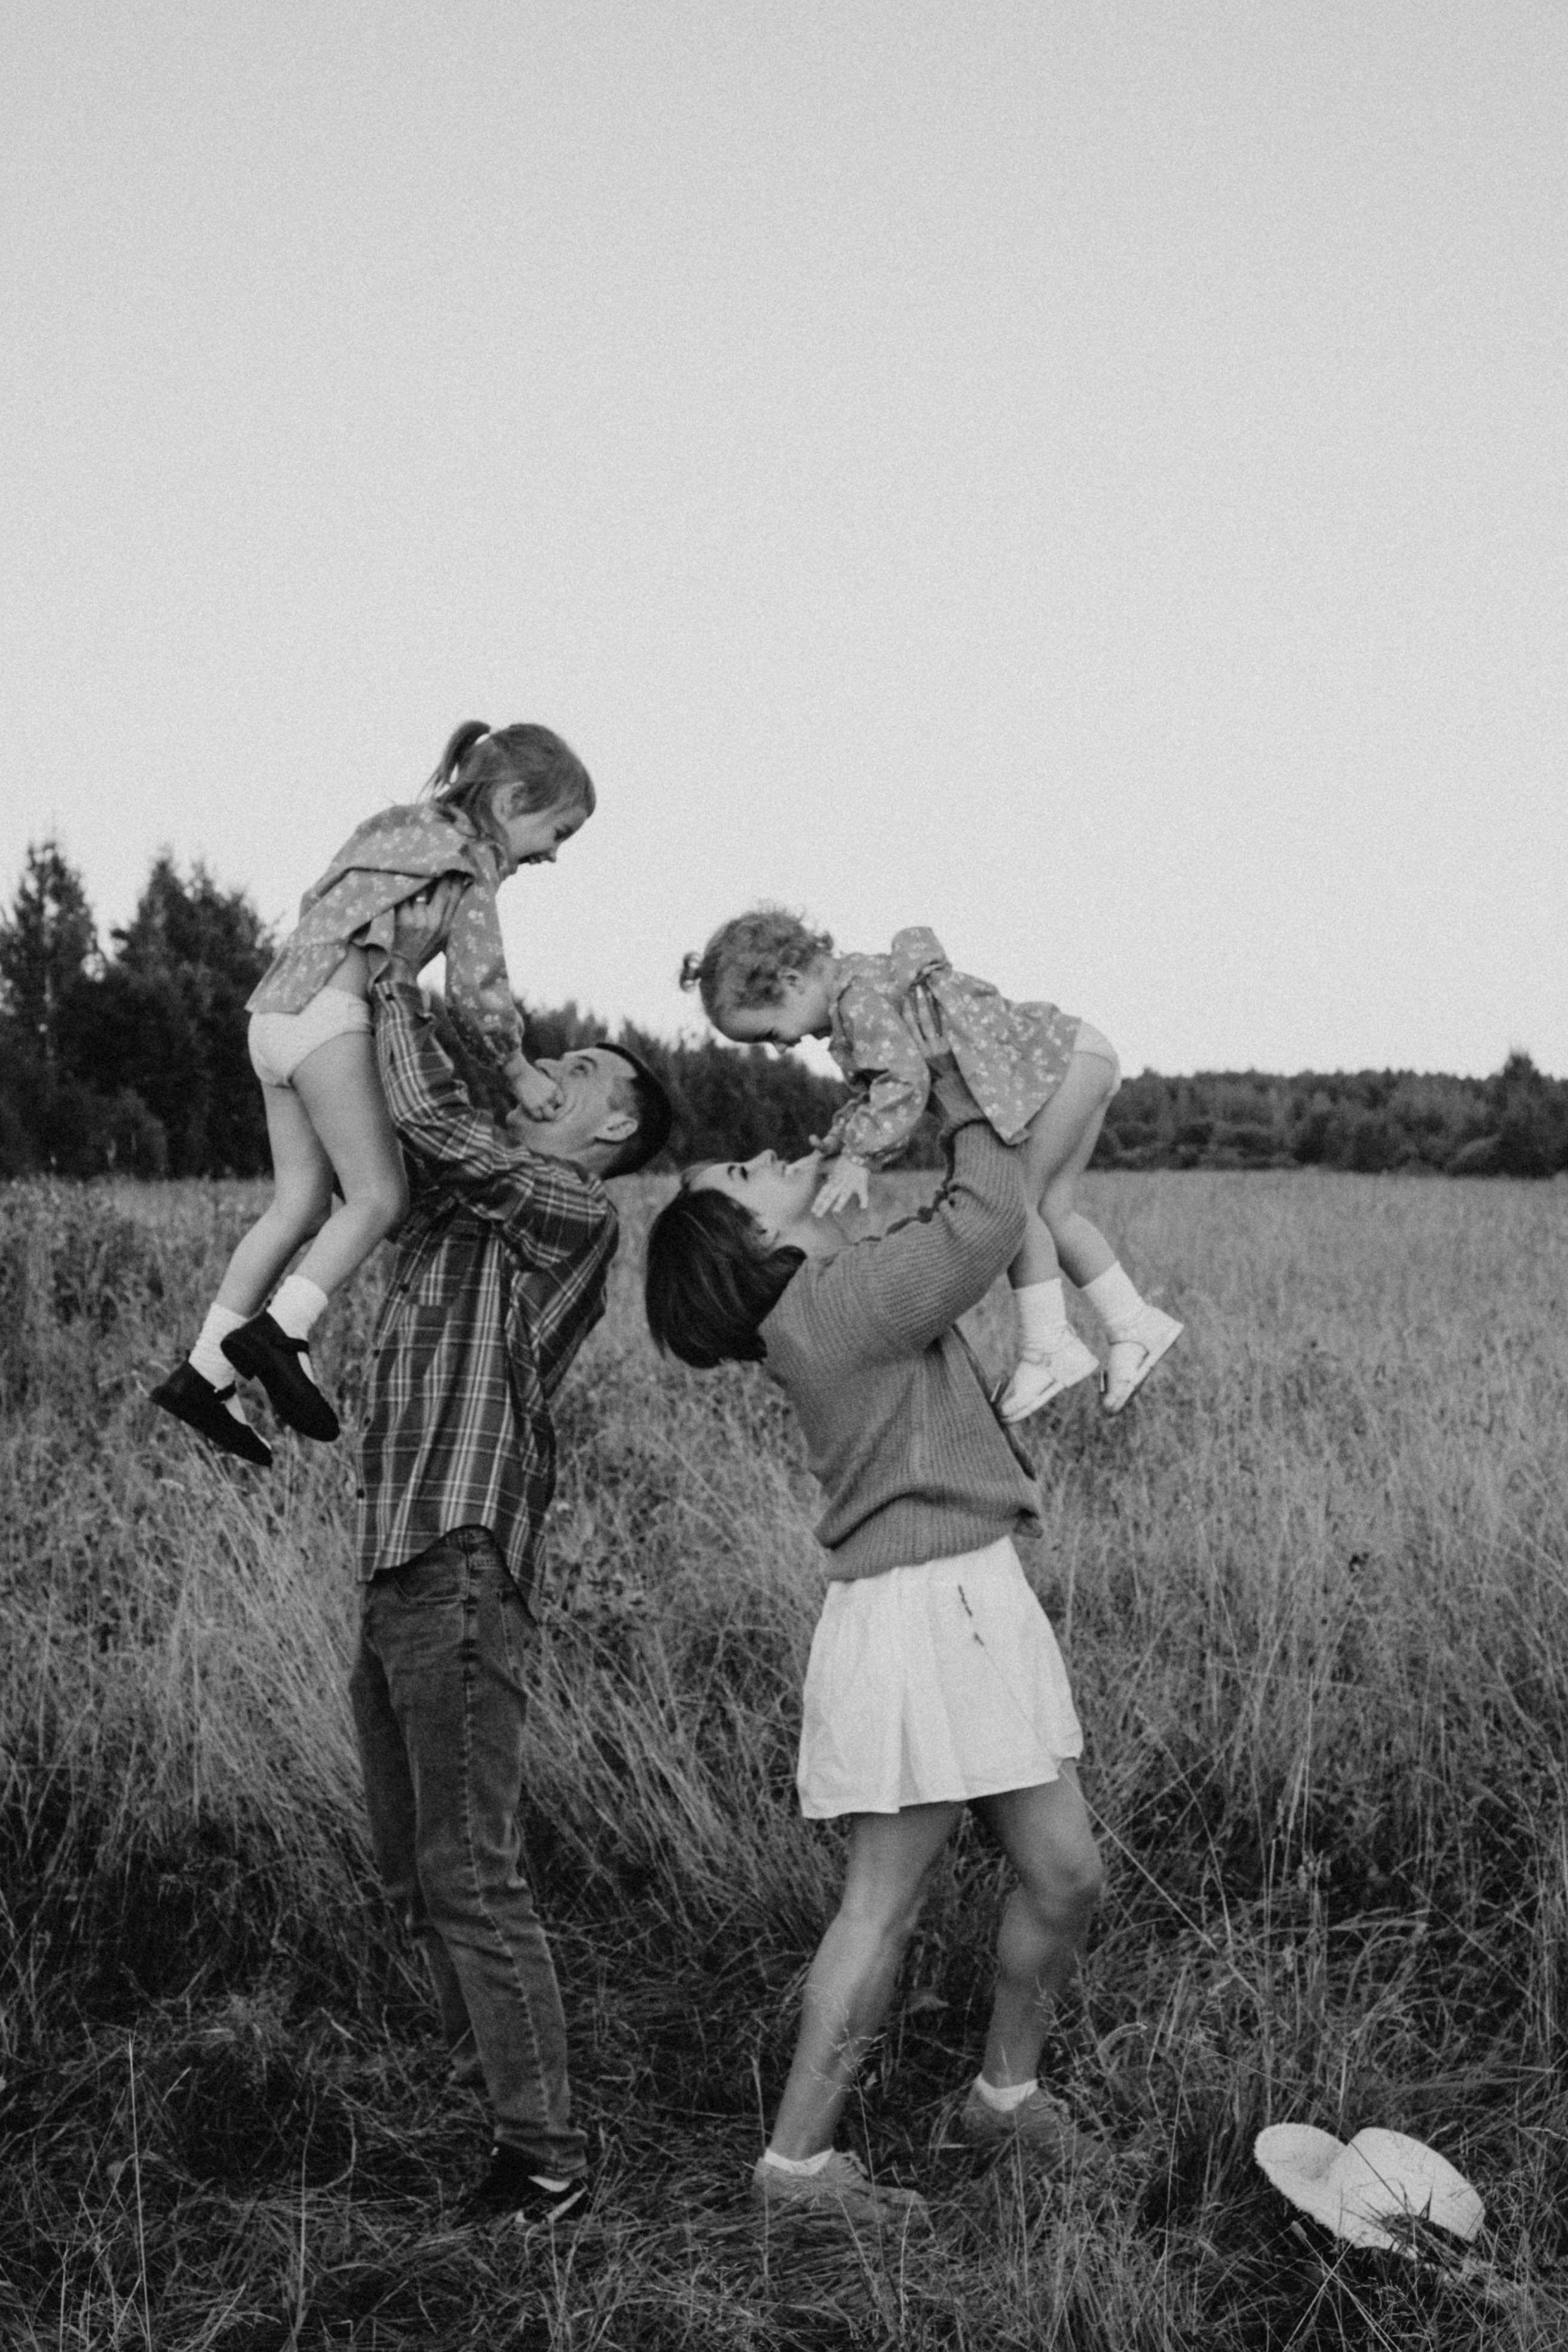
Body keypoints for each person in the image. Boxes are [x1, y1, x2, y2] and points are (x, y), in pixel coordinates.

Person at [643, 1006, 1107, 2229]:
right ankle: (797, 2167)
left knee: (1064, 1875)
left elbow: (946, 1226)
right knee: (883, 1902)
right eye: (745, 1175)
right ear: (752, 1238)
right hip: (919, 1615)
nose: (769, 1155)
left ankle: (1004, 2099)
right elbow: (986, 1216)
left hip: (970, 1595)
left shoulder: (832, 1294)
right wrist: (953, 1071)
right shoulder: (834, 1306)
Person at [348, 880, 671, 2228]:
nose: (551, 1069)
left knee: (470, 1871)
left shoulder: (568, 1208)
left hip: (462, 1560)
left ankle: (545, 2158)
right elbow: (402, 1137)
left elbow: (431, 1120)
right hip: (399, 1561)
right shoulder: (459, 1206)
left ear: (612, 1127)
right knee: (415, 1868)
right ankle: (492, 2083)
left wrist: (388, 973)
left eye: (580, 1070)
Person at [151, 720, 594, 1464]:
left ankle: (204, 1373)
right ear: (513, 800)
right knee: (380, 1197)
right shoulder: (468, 860)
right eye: (559, 832)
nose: (553, 853)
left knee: (297, 1207)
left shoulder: (392, 829)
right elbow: (477, 989)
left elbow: (318, 904)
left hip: (273, 1014)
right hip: (330, 1019)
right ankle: (282, 1332)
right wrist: (517, 1069)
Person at [679, 909, 1181, 1422]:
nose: (781, 1048)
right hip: (1077, 1052)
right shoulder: (863, 991)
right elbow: (880, 1091)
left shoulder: (858, 1004)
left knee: (1018, 1206)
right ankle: (1135, 1323)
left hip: (1057, 1066)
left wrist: (860, 1157)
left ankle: (1049, 1345)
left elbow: (904, 1084)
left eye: (769, 1032)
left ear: (792, 981)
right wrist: (840, 1142)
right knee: (1055, 1212)